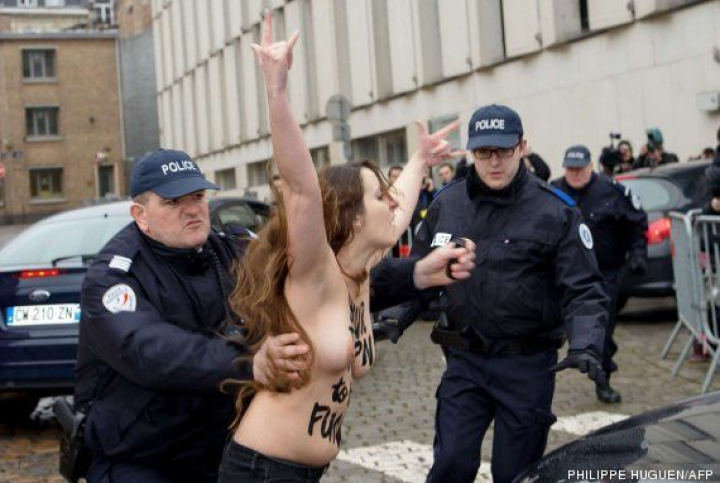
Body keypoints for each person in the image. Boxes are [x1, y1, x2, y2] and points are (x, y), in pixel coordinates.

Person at [74, 148, 475, 482]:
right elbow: (147, 349)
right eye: (172, 202)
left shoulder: (231, 249)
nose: (191, 210)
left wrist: (416, 273)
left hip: (216, 449)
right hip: (140, 458)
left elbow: (328, 281)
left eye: (196, 196)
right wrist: (251, 363)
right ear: (140, 214)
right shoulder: (114, 277)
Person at [218, 16, 472, 482]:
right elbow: (301, 188)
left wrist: (420, 159)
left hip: (303, 471)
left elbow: (402, 207)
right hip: (262, 470)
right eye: (380, 196)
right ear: (353, 218)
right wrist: (277, 91)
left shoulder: (362, 269)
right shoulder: (317, 272)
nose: (393, 203)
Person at [412, 104, 610, 483]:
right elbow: (418, 269)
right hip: (465, 360)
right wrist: (394, 315)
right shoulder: (447, 204)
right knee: (451, 464)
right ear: (471, 152)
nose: (494, 162)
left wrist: (586, 342)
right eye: (484, 152)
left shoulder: (555, 210)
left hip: (527, 365)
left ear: (522, 147)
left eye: (503, 150)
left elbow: (584, 286)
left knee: (514, 473)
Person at [552, 145, 648, 403]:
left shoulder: (612, 191)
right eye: (570, 169)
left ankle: (602, 379)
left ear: (591, 166)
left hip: (604, 274)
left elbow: (636, 224)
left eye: (580, 168)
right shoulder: (552, 192)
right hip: (562, 276)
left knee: (602, 329)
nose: (575, 173)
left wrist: (638, 255)